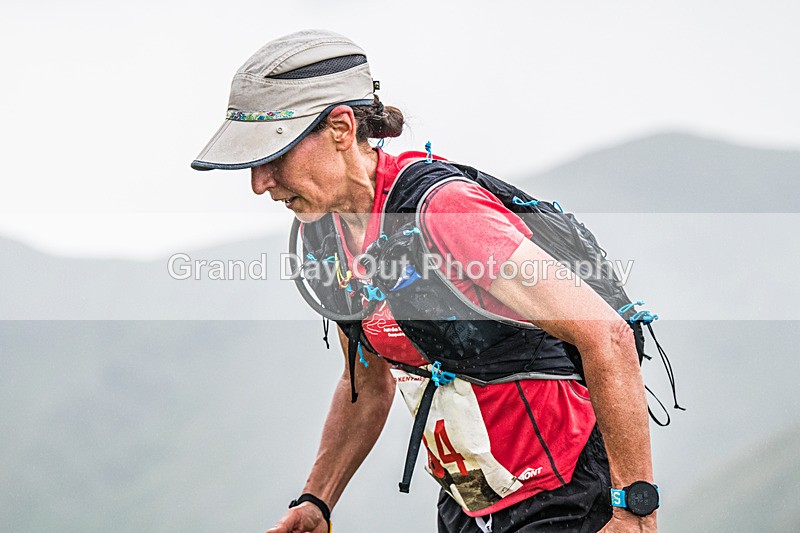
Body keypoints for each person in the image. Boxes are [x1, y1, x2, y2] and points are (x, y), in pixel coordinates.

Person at [192, 30, 658, 533]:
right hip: (471, 502)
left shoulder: (444, 211)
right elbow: (366, 383)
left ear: (341, 128)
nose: (259, 183)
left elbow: (606, 335)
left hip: (567, 492)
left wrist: (634, 512)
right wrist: (317, 502)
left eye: (274, 155)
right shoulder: (322, 235)